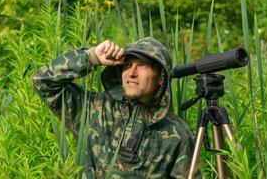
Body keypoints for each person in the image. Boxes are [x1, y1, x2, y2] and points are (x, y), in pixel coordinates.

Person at [33, 37, 195, 178]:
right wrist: (91, 57)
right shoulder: (93, 109)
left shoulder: (178, 135)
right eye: (127, 65)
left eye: (142, 65)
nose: (131, 73)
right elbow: (43, 81)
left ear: (161, 77)